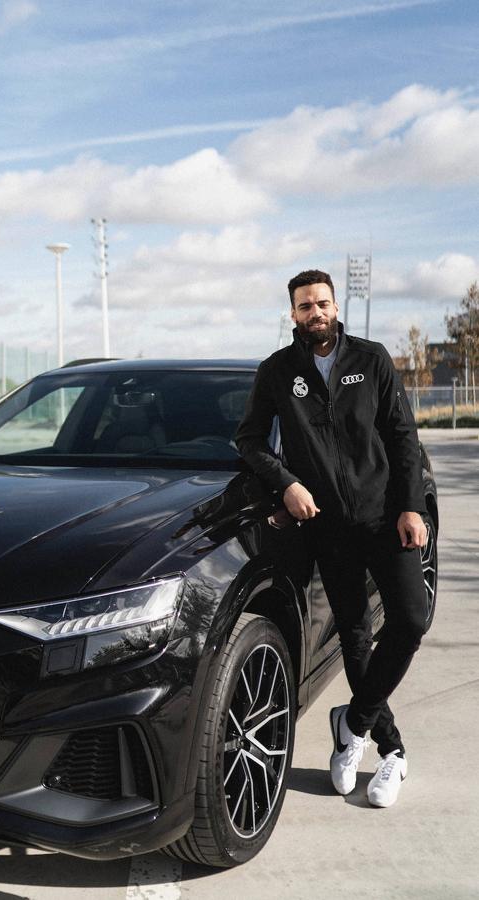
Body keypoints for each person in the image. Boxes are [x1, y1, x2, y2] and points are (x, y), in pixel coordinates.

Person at [235, 268, 428, 808]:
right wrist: (287, 483)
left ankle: (352, 720)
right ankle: (390, 752)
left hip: (385, 518)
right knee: (355, 635)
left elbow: (403, 437)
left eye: (322, 303)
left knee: (410, 620)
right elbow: (250, 440)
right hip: (329, 528)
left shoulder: (371, 360)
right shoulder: (278, 371)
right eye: (304, 306)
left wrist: (411, 505)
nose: (314, 313)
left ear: (335, 306)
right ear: (292, 314)